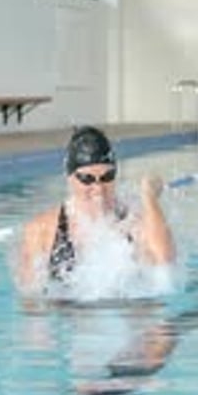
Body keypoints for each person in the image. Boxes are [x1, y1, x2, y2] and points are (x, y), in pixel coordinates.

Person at [17, 125, 175, 293]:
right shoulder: (42, 230)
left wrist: (149, 198)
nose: (98, 188)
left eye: (107, 177)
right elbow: (31, 300)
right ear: (70, 178)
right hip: (67, 316)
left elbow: (165, 265)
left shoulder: (133, 220)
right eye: (87, 179)